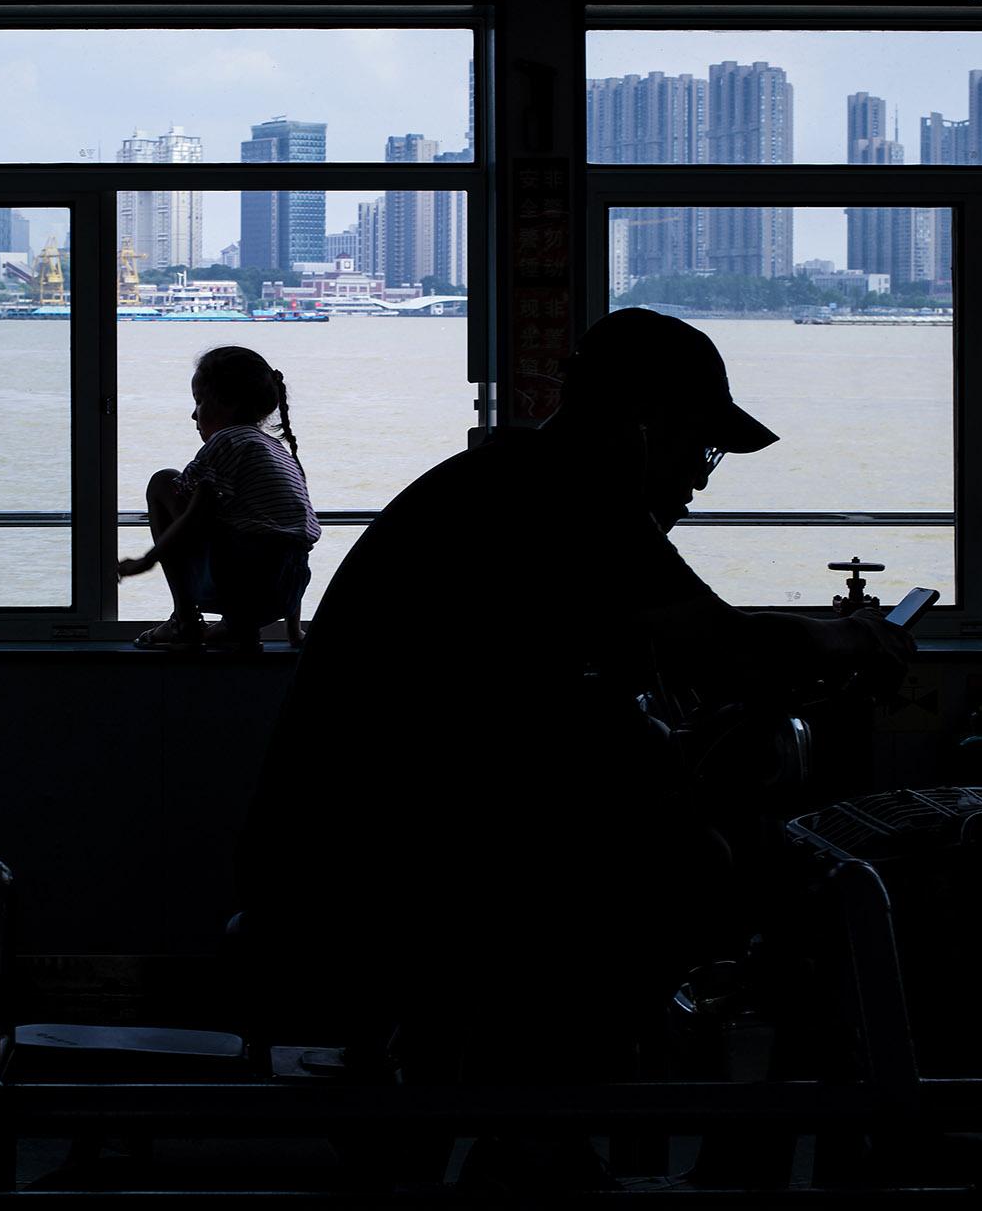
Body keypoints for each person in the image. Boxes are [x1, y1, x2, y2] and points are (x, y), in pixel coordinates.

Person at [234, 308, 914, 1073]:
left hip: (346, 834)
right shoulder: (569, 491)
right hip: (370, 857)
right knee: (689, 873)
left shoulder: (510, 480)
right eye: (702, 445)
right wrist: (854, 635)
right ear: (642, 421)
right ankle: (545, 1125)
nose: (699, 475)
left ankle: (526, 1114)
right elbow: (723, 643)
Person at [119, 345, 320, 652]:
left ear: (227, 403)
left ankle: (184, 620)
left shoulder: (228, 441)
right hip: (282, 594)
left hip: (239, 582)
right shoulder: (279, 451)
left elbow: (194, 519)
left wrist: (147, 560)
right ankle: (239, 630)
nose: (193, 414)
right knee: (270, 544)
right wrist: (294, 634)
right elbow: (291, 540)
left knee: (163, 482)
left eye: (199, 402)